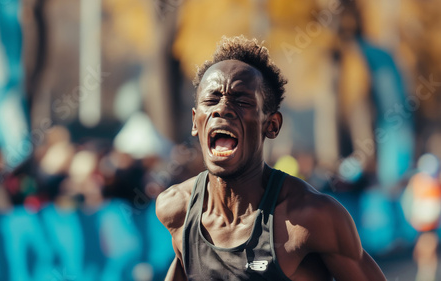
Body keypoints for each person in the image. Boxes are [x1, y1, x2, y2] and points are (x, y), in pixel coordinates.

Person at [156, 36, 386, 281]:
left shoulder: (311, 218)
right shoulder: (176, 208)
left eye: (242, 101)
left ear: (272, 125)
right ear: (195, 121)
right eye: (211, 100)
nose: (222, 109)